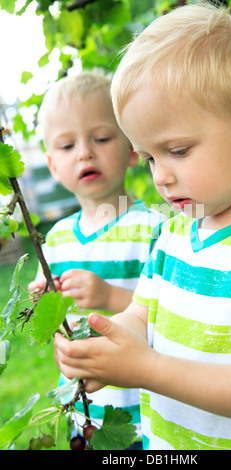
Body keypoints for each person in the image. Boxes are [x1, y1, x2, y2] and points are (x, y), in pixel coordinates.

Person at [53, 2, 231, 450]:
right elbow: (139, 317)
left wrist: (147, 369)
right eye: (149, 157)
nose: (160, 176)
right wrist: (101, 347)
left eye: (178, 150)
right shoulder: (174, 235)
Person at [29, 71, 166, 449]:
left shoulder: (154, 227)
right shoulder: (53, 240)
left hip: (141, 410)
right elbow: (60, 327)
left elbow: (170, 316)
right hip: (82, 411)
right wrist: (44, 306)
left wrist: (108, 296)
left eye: (102, 138)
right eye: (66, 146)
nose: (85, 152)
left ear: (133, 148)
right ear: (53, 165)